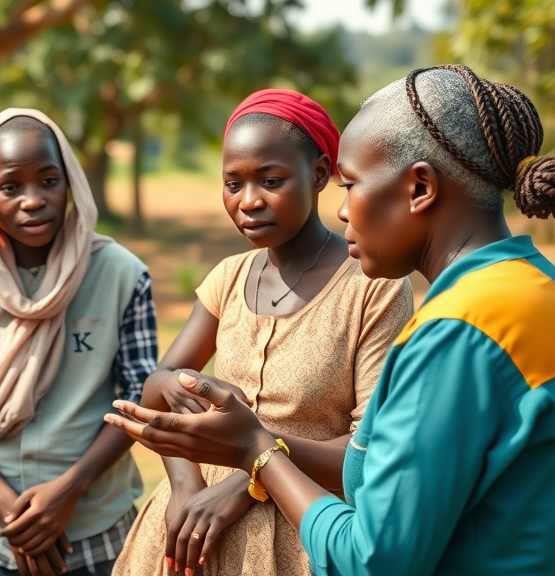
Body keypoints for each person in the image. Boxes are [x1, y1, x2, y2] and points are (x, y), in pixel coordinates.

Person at [106, 64, 555, 576]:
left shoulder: (456, 331)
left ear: (419, 189)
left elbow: (374, 559)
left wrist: (257, 450)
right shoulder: (533, 289)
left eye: (353, 185)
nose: (343, 212)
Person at [114, 89, 413, 576]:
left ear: (319, 174)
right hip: (190, 533)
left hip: (299, 528)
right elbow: (161, 381)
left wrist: (250, 475)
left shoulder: (372, 289)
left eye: (271, 180)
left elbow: (367, 452)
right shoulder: (228, 278)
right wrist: (186, 489)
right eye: (233, 184)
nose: (249, 201)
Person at [0, 108, 159, 576]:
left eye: (49, 181)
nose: (33, 200)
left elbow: (137, 400)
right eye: (11, 186)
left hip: (99, 531)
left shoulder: (121, 275)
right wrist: (6, 505)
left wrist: (69, 490)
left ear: (71, 183)